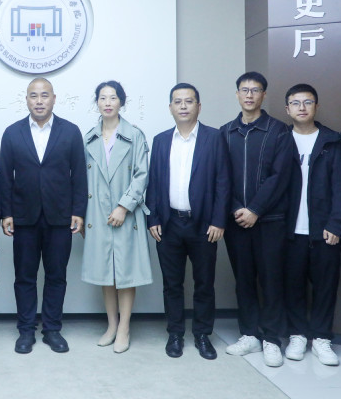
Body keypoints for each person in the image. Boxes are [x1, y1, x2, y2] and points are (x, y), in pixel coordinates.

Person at [0, 77, 88, 354]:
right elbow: (5, 177)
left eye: (44, 95)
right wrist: (6, 213)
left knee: (56, 276)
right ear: (26, 99)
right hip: (23, 217)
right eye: (34, 96)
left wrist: (78, 211)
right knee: (24, 277)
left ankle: (52, 330)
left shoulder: (70, 131)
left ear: (54, 98)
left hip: (60, 217)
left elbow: (79, 176)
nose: (39, 101)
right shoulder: (12, 133)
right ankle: (26, 330)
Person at [147, 83, 230, 361]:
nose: (183, 106)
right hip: (169, 223)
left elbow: (223, 182)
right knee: (172, 284)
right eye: (178, 101)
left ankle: (203, 335)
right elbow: (154, 182)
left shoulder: (214, 137)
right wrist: (153, 217)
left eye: (189, 101)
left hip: (204, 225)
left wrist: (218, 220)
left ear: (198, 106)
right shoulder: (160, 140)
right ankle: (175, 334)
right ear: (170, 107)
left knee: (204, 283)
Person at [220, 71, 293, 367]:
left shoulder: (279, 131)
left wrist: (256, 210)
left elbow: (280, 176)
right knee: (244, 279)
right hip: (236, 220)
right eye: (244, 90)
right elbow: (221, 177)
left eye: (255, 90)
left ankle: (272, 338)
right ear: (237, 94)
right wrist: (238, 209)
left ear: (264, 95)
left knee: (271, 280)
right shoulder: (225, 132)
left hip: (270, 220)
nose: (249, 95)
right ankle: (249, 333)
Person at [81, 80, 151, 354]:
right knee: (105, 273)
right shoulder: (89, 138)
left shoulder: (135, 135)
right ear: (96, 102)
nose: (107, 102)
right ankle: (111, 325)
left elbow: (142, 175)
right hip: (97, 214)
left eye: (113, 97)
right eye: (102, 98)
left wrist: (124, 206)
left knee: (125, 272)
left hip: (126, 216)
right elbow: (81, 180)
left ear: (122, 102)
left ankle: (124, 327)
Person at [282, 84, 341, 367]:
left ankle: (321, 338)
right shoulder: (281, 139)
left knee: (325, 287)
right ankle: (297, 335)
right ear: (287, 109)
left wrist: (336, 223)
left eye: (307, 102)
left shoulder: (332, 141)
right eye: (295, 103)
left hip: (324, 230)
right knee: (292, 286)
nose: (302, 107)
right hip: (289, 230)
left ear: (316, 107)